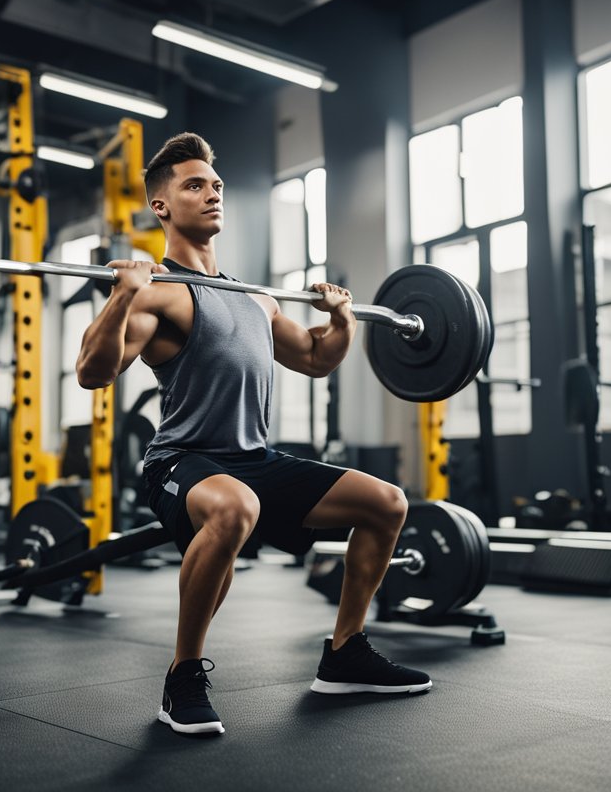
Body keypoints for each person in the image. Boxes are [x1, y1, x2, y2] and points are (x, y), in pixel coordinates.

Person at [76, 133, 430, 737]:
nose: (212, 194)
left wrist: (341, 319)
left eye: (215, 185)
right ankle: (182, 678)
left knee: (386, 503)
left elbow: (317, 359)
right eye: (194, 185)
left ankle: (345, 654)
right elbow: (92, 372)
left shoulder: (255, 299)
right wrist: (121, 297)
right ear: (161, 206)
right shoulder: (158, 290)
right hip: (180, 462)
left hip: (252, 459)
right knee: (236, 506)